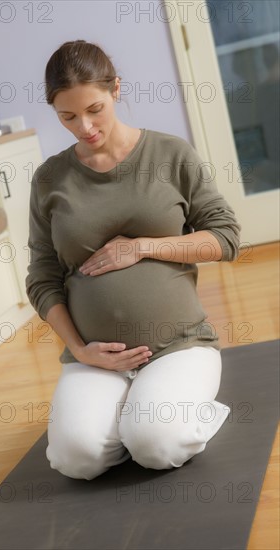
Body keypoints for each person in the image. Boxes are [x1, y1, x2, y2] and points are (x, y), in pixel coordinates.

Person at [26, 40, 241, 481]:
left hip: (177, 344)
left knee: (157, 447)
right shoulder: (49, 178)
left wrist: (143, 246)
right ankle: (131, 417)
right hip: (96, 356)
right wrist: (80, 349)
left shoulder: (170, 154)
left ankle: (170, 418)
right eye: (67, 117)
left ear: (117, 89)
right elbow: (42, 278)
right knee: (75, 459)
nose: (84, 127)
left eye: (95, 109)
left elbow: (226, 238)